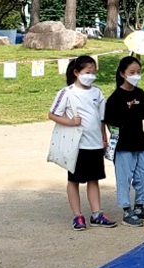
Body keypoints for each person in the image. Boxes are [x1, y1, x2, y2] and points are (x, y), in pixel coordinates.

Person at [48, 56, 117, 231]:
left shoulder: (97, 92)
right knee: (74, 180)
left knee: (94, 179)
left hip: (94, 144)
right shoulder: (67, 92)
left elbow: (101, 118)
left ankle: (97, 214)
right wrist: (70, 122)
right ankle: (77, 215)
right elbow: (53, 114)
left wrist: (104, 138)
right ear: (77, 73)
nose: (91, 76)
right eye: (88, 72)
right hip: (77, 146)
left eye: (94, 73)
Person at [104, 56, 144, 227]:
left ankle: (139, 206)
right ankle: (126, 209)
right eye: (132, 72)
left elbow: (141, 117)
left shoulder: (140, 93)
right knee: (124, 177)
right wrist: (113, 141)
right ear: (122, 74)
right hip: (122, 144)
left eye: (139, 72)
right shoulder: (115, 98)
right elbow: (109, 122)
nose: (136, 75)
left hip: (139, 141)